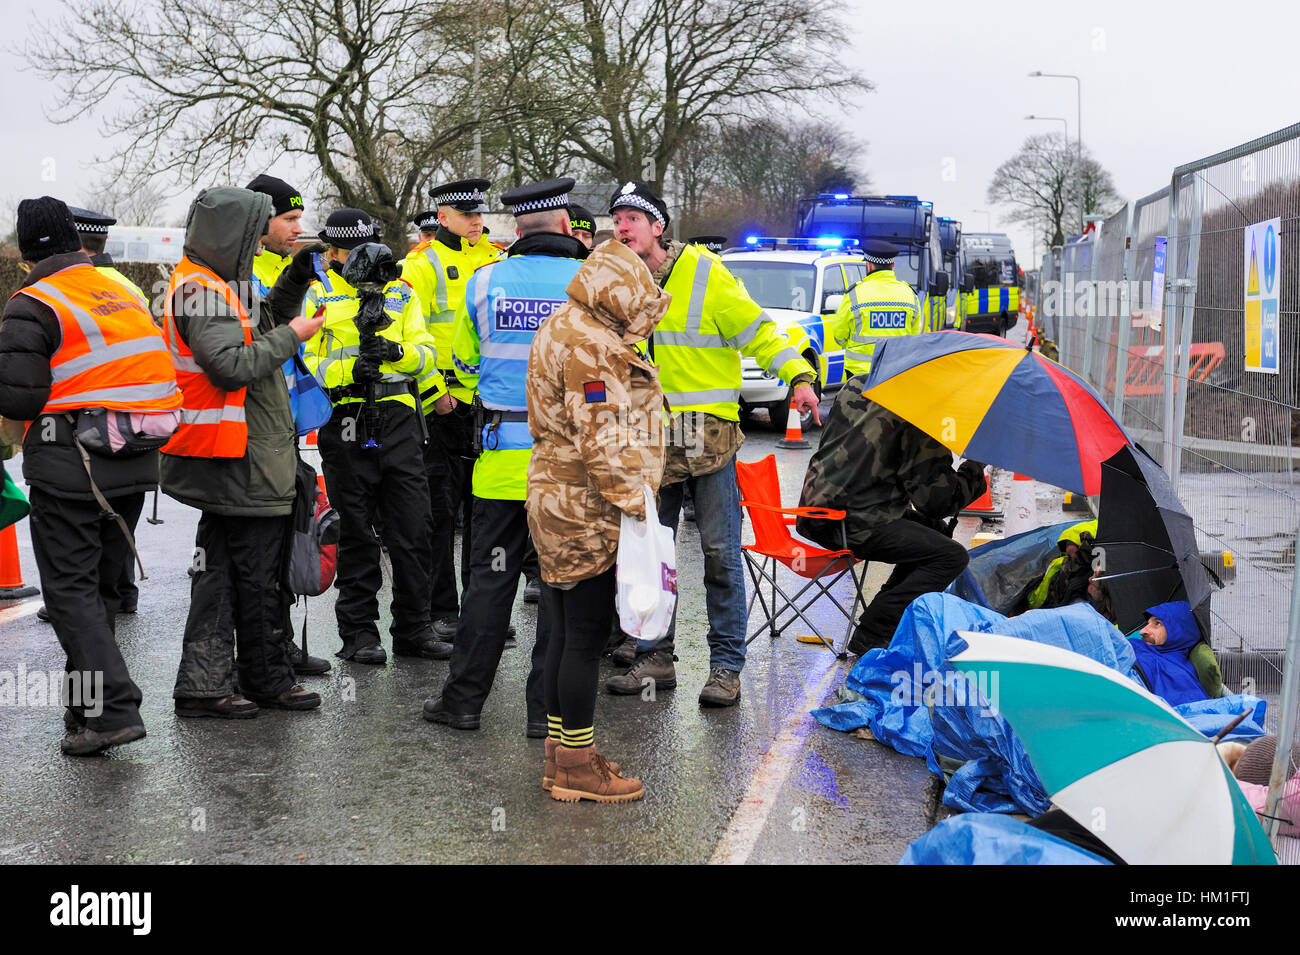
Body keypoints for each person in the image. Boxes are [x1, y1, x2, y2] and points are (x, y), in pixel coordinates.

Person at [605, 180, 819, 706]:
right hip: (651, 441)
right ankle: (654, 655)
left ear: (659, 226)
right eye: (617, 218)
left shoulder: (706, 274)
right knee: (652, 553)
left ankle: (725, 667)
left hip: (708, 440)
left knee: (720, 554)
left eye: (632, 218)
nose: (621, 227)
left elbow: (760, 333)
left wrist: (797, 377)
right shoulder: (615, 280)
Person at [0, 196, 180, 754]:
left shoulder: (32, 302)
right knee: (98, 591)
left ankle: (115, 711)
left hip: (71, 465)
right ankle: (84, 712)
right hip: (136, 458)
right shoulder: (120, 289)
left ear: (27, 251)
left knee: (71, 594)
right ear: (77, 242)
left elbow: (19, 402)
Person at [423, 177, 587, 736]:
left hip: (500, 461)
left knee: (489, 587)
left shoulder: (483, 281)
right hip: (570, 467)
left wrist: (492, 390)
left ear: (515, 231)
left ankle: (463, 703)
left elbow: (462, 364)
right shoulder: (592, 285)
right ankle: (547, 714)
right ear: (566, 225)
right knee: (562, 591)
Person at [161, 186, 325, 717]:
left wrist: (295, 280)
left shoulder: (214, 284)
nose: (260, 245)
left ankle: (211, 685)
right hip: (237, 457)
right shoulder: (202, 292)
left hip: (241, 454)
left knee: (228, 575)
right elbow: (231, 363)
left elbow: (263, 325)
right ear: (234, 235)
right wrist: (296, 336)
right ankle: (262, 680)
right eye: (256, 233)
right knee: (252, 576)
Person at [527, 237, 669, 802]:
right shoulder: (592, 345)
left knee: (564, 629)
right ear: (616, 294)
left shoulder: (562, 324)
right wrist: (638, 504)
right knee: (585, 637)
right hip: (584, 503)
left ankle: (562, 759)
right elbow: (603, 435)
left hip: (553, 493)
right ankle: (579, 769)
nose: (642, 314)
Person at [303, 208, 446, 664]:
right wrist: (349, 369)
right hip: (345, 418)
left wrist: (395, 353)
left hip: (399, 417)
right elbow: (305, 363)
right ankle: (359, 633)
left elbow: (426, 355)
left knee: (412, 527)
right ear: (333, 252)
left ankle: (414, 628)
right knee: (355, 533)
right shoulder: (317, 294)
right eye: (348, 251)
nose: (359, 260)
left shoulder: (400, 291)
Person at [402, 180, 516, 641]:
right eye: (466, 214)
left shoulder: (496, 260)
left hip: (489, 403)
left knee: (484, 512)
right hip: (445, 404)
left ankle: (480, 608)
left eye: (478, 214)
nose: (476, 221)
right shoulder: (421, 263)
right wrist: (434, 394)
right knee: (441, 511)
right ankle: (442, 610)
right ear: (442, 217)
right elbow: (408, 331)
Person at [796, 385, 986, 655]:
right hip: (855, 520)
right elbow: (935, 502)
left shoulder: (858, 385)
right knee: (951, 556)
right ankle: (874, 632)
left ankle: (887, 617)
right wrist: (974, 467)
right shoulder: (918, 412)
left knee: (937, 533)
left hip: (818, 509)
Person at [31, 205, 151, 627]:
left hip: (90, 427)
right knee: (119, 515)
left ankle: (103, 603)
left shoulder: (69, 289)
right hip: (137, 427)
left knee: (93, 521)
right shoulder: (128, 288)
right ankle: (123, 592)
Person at [244, 173, 332, 677]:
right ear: (263, 220)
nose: (299, 227)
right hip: (256, 430)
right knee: (261, 548)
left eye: (301, 218)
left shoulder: (270, 268)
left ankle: (278, 644)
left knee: (287, 535)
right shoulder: (240, 273)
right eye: (290, 218)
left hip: (283, 425)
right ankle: (264, 653)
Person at [831, 239, 923, 377]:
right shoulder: (910, 294)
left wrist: (856, 347)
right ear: (893, 265)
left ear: (869, 265)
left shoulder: (854, 294)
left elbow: (839, 335)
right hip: (897, 372)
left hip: (860, 375)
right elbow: (914, 336)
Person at [1128, 601, 1216, 706]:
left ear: (1179, 631)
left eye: (1157, 623)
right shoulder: (1136, 645)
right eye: (1148, 623)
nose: (1142, 631)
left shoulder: (1179, 678)